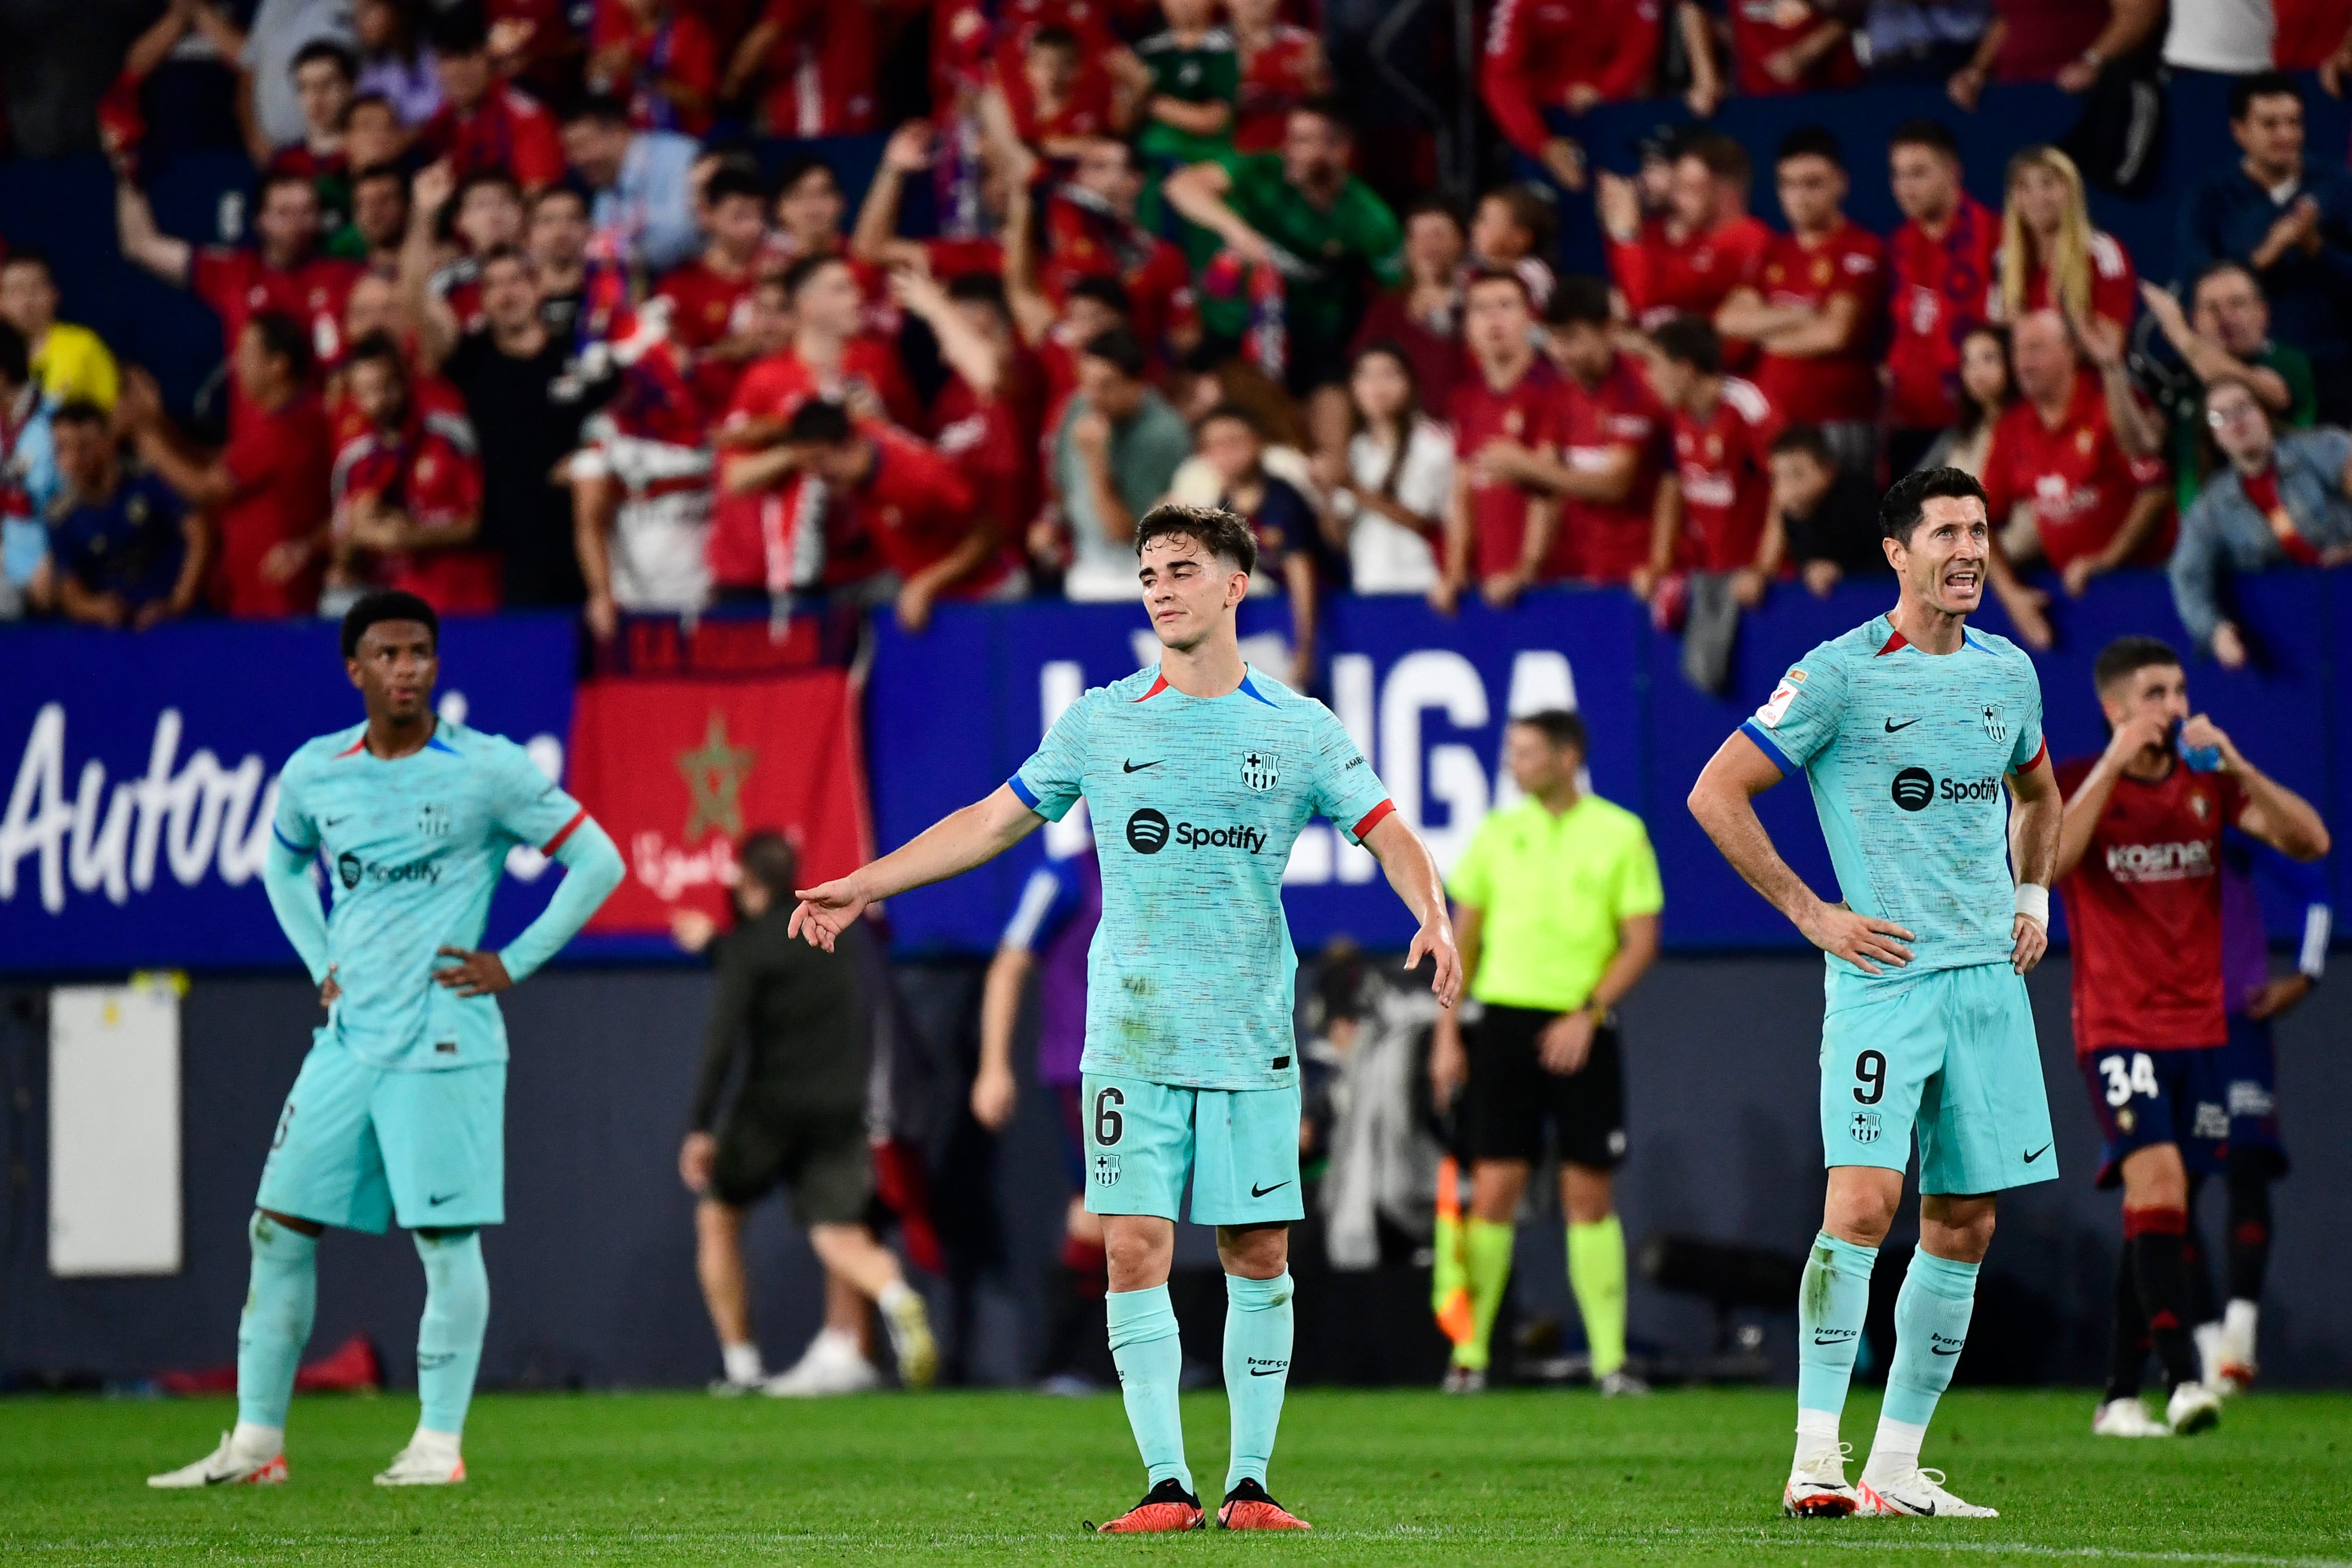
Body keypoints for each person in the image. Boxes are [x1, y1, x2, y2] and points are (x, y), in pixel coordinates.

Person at [787, 502, 1461, 1533]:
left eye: (1182, 568)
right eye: (1149, 570)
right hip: (1132, 1036)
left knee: (1257, 1253)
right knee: (1133, 1246)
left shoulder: (1299, 727)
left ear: (1235, 585)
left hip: (1248, 1034)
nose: (1159, 586)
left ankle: (1251, 1483)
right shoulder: (1104, 720)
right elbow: (991, 818)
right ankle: (1165, 1484)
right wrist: (866, 885)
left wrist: (1435, 913)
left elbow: (1388, 829)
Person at [146, 591, 623, 1489]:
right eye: (388, 653)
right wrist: (320, 957)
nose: (406, 668)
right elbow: (283, 866)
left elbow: (598, 859)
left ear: (436, 665)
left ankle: (438, 1444)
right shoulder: (316, 772)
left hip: (445, 1037)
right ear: (354, 669)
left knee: (444, 1243)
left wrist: (513, 961)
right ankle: (255, 1445)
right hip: (349, 1039)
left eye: (420, 652)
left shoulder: (486, 769)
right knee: (277, 1227)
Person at [1689, 465, 2065, 1520]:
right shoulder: (1841, 674)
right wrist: (1813, 912)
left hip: (1988, 980)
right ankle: (1815, 1457)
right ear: (1896, 552)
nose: (1970, 550)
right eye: (1946, 531)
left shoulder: (2009, 673)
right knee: (1862, 1204)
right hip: (1884, 983)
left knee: (1966, 1222)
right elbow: (1715, 790)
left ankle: (1894, 1468)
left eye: (1982, 530)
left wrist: (2032, 890)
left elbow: (2040, 791)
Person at [2052, 636, 2327, 1438]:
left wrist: (2235, 761)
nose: (2173, 706)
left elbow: (2309, 842)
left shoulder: (2206, 785)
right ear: (2113, 709)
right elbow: (2047, 863)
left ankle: (2114, 1395)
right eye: (2154, 693)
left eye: (2177, 690)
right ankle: (2181, 1382)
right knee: (2162, 1185)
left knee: (2155, 1206)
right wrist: (2110, 764)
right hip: (2115, 1029)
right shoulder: (2072, 781)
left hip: (2200, 1030)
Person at [1427, 709, 1660, 1396]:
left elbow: (1640, 940)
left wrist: (1585, 1015)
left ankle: (1609, 1363)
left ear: (1566, 757)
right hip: (1500, 1029)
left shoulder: (1620, 832)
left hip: (1582, 1026)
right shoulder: (1497, 836)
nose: (1512, 764)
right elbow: (1461, 943)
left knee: (1588, 1193)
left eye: (1525, 752)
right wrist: (1447, 1035)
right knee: (1492, 1191)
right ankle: (1468, 1359)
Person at [680, 831, 937, 1398]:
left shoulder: (749, 943)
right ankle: (897, 1294)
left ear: (748, 882)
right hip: (843, 1107)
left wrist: (700, 1125)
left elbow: (722, 1042)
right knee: (837, 1230)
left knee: (719, 1217)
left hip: (770, 1107)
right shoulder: (842, 937)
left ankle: (742, 1367)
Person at [2195, 830, 2330, 1392]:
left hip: (2239, 1030)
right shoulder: (2129, 819)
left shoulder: (2220, 812)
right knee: (2169, 1188)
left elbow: (2313, 884)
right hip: (2167, 1030)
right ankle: (2207, 1355)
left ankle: (2240, 1336)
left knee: (2248, 1170)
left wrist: (2308, 972)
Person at [971, 846, 1110, 1391]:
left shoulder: (1167, 861)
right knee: (1107, 1204)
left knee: (1123, 1207)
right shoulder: (1066, 876)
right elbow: (1010, 961)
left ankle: (1092, 1360)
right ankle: (1069, 1360)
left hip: (1153, 1062)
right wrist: (992, 1066)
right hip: (1085, 1069)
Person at [1161, 98, 1405, 396]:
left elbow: (1398, 293)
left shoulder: (1371, 218)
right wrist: (1236, 230)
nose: (1288, 149)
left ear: (1339, 151)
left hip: (1314, 339)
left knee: (1331, 405)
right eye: (1290, 138)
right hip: (1237, 325)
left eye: (1302, 141)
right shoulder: (1265, 171)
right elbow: (1180, 187)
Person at [118, 317, 334, 619]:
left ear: (278, 365)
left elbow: (206, 488)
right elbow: (220, 461)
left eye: (246, 354)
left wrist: (143, 435)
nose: (236, 365)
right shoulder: (300, 414)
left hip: (276, 600)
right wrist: (158, 423)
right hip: (264, 595)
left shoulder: (286, 428)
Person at [428, 247, 604, 614]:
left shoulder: (576, 358)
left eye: (516, 281)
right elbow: (421, 309)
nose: (507, 294)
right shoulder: (472, 361)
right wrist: (424, 219)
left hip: (589, 548)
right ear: (482, 301)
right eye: (493, 286)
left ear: (539, 288)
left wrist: (591, 454)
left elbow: (623, 419)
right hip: (510, 556)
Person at [2175, 72, 2352, 425]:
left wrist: (2316, 248)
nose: (2286, 135)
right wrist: (2265, 254)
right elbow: (2197, 293)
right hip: (2252, 378)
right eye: (2270, 124)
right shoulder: (2211, 201)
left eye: (2294, 123)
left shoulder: (2339, 187)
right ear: (2240, 130)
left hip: (2338, 369)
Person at [117, 167, 362, 413]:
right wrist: (129, 175)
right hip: (252, 438)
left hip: (319, 431)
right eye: (284, 213)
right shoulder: (234, 272)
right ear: (260, 219)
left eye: (307, 211)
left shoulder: (345, 277)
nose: (297, 223)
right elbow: (141, 245)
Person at [1715, 126, 1885, 476]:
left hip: (1836, 424)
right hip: (1775, 422)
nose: (1800, 196)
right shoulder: (1774, 251)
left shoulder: (1860, 248)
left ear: (1841, 183)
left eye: (1813, 184)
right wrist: (1803, 314)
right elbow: (1728, 321)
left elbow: (1833, 335)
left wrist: (1763, 331)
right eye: (1788, 184)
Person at [1979, 309, 2169, 599]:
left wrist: (2106, 559)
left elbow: (2155, 491)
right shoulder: (2013, 427)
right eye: (2017, 351)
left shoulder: (2111, 403)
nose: (2023, 364)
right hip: (2072, 593)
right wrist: (2012, 596)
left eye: (2036, 349)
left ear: (2072, 350)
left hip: (2148, 583)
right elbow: (1977, 517)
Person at [2170, 377, 2352, 667]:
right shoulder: (2211, 508)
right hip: (2294, 627)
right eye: (2220, 417)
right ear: (2213, 436)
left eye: (2244, 407)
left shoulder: (2324, 449)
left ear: (2264, 413)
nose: (2235, 421)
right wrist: (2216, 632)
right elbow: (2188, 575)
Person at [1641, 314, 1780, 694]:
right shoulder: (1678, 417)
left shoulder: (1747, 407)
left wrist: (1763, 568)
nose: (1648, 378)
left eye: (1653, 365)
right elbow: (1672, 487)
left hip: (1761, 586)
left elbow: (1782, 486)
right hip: (1712, 575)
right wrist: (1660, 563)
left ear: (1685, 370)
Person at [330, 332, 496, 615]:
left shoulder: (450, 437)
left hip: (463, 605)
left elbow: (487, 521)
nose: (378, 401)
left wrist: (415, 537)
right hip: (397, 618)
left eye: (385, 387)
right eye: (366, 392)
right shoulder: (354, 462)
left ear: (404, 379)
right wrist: (355, 536)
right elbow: (344, 565)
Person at [2142, 265, 2317, 513]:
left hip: (2288, 513)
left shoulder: (2285, 361)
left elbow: (2237, 385)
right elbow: (2146, 444)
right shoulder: (2181, 382)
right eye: (2212, 308)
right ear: (2196, 321)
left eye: (2237, 304)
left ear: (2263, 313)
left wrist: (2179, 334)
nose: (2225, 317)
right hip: (2202, 531)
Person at [1442, 270, 1563, 614]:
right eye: (1480, 309)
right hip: (1489, 584)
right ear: (1466, 325)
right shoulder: (1466, 398)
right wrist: (1455, 570)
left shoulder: (1551, 389)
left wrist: (1527, 569)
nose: (1493, 320)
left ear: (1530, 318)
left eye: (1506, 306)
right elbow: (1463, 491)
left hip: (1551, 583)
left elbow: (1547, 489)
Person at [1886, 119, 1999, 478]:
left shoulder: (1994, 237)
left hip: (1971, 423)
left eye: (1918, 173)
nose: (1905, 187)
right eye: (1898, 175)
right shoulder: (1900, 245)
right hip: (1907, 423)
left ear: (1953, 173)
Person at [1050, 326, 1193, 603]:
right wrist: (1051, 523)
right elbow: (1061, 482)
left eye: (1106, 385)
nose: (1092, 396)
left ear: (1137, 384)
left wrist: (1095, 462)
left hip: (1141, 576)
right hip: (1084, 568)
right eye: (1086, 383)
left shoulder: (1164, 434)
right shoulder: (1079, 408)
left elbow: (1124, 534)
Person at [45, 399, 208, 630]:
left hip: (178, 626)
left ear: (107, 442)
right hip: (114, 636)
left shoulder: (150, 480)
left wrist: (177, 604)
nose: (73, 460)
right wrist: (97, 608)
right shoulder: (62, 515)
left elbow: (199, 533)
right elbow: (70, 592)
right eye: (61, 448)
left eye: (84, 446)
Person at [1597, 133, 1773, 335]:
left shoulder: (1745, 237)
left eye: (1689, 188)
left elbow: (1646, 298)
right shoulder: (1692, 238)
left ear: (1724, 191)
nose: (1678, 198)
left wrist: (1626, 236)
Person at [1480, 0, 1660, 192]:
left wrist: (1603, 91)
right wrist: (1543, 146)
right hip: (1541, 119)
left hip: (1609, 108)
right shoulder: (1518, 4)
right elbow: (1501, 79)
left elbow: (1639, 47)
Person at [1196, 402, 1318, 678]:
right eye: (1215, 445)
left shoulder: (1282, 500)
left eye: (1235, 441)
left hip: (1318, 613)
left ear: (1259, 443)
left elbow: (1302, 572)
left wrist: (1306, 644)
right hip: (1267, 618)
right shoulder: (1221, 505)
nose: (1226, 453)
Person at [1329, 341, 1451, 595]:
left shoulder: (1431, 441)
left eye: (1388, 374)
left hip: (1425, 584)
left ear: (1410, 383)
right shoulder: (1357, 449)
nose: (1376, 386)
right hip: (1369, 585)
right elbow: (1339, 534)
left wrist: (1353, 489)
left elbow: (1424, 521)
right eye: (1365, 376)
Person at [1994, 145, 2135, 363]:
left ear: (2071, 190)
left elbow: (2110, 350)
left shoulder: (2103, 253)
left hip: (2091, 386)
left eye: (2048, 184)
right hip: (2030, 387)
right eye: (2024, 187)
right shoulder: (2003, 261)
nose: (2036, 197)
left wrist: (2073, 322)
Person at [415, 5, 566, 191]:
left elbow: (538, 193)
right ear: (435, 65)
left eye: (470, 55)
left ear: (489, 58)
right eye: (448, 57)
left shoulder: (526, 117)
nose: (460, 69)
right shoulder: (438, 125)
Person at [1346, 200, 1468, 419]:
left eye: (1438, 234)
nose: (1428, 245)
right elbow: (1361, 367)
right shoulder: (1388, 308)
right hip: (1405, 428)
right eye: (1417, 236)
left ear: (1460, 242)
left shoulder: (1481, 302)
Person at [558, 93, 702, 276]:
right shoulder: (605, 189)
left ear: (618, 132)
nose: (575, 160)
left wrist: (626, 247)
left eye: (581, 146)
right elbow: (602, 250)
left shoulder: (679, 157)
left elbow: (684, 231)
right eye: (569, 151)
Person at [1765, 423, 1889, 597]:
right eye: (1777, 477)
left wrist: (1842, 570)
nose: (1787, 488)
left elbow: (1889, 558)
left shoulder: (1861, 501)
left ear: (1828, 469)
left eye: (1797, 474)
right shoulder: (1794, 512)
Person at [1, 251, 121, 413]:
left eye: (35, 288)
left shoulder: (83, 345)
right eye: (15, 290)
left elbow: (114, 411)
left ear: (55, 294)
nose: (27, 300)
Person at [1135, 0, 1240, 174]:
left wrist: (1150, 103)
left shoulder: (1226, 50)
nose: (1185, 4)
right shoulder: (1148, 51)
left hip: (1207, 153)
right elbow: (1120, 122)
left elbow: (1213, 121)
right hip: (1151, 153)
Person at [0, 323, 60, 616]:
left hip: (46, 565)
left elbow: (75, 501)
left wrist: (55, 559)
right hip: (8, 561)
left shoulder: (55, 424)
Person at [1916, 323, 2015, 478]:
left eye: (1988, 359)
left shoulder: (2025, 429)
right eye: (1968, 362)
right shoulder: (1962, 430)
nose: (1977, 372)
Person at [1231, 0, 1328, 154]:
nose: (1255, 2)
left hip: (1294, 156)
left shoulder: (1305, 44)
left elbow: (1325, 110)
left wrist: (1312, 81)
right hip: (1233, 156)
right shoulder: (1209, 49)